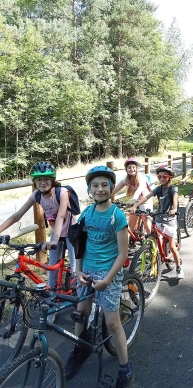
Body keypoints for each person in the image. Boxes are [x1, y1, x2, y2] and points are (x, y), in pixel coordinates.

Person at [64, 166, 133, 387]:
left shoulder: (117, 216)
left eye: (104, 185)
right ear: (89, 189)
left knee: (112, 322)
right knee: (80, 312)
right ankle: (79, 350)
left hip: (108, 271)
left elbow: (123, 254)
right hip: (87, 269)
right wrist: (78, 270)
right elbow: (80, 245)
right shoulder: (86, 213)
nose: (100, 189)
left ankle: (125, 367)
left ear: (111, 188)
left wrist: (107, 280)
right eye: (95, 185)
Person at [0, 161, 76, 288]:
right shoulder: (36, 195)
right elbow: (17, 215)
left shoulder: (62, 192)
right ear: (34, 182)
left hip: (72, 232)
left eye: (46, 179)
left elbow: (61, 216)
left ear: (52, 180)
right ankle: (51, 296)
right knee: (52, 269)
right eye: (39, 179)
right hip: (56, 233)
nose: (42, 182)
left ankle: (80, 300)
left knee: (75, 269)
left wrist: (54, 240)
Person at [129, 165, 184, 279]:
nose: (162, 178)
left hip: (170, 219)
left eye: (164, 176)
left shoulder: (173, 189)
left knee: (173, 247)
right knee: (152, 238)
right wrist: (135, 205)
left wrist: (174, 209)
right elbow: (146, 197)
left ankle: (178, 267)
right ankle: (152, 257)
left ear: (170, 177)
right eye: (159, 177)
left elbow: (175, 198)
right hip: (158, 217)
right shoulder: (158, 189)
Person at [112, 158, 153, 234]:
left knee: (147, 224)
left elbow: (138, 191)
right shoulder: (126, 179)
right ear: (126, 169)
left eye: (133, 167)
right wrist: (106, 197)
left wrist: (133, 202)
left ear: (137, 168)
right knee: (131, 226)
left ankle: (151, 240)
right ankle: (133, 239)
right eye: (129, 167)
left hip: (145, 201)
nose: (131, 169)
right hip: (135, 201)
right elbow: (116, 189)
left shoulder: (142, 178)